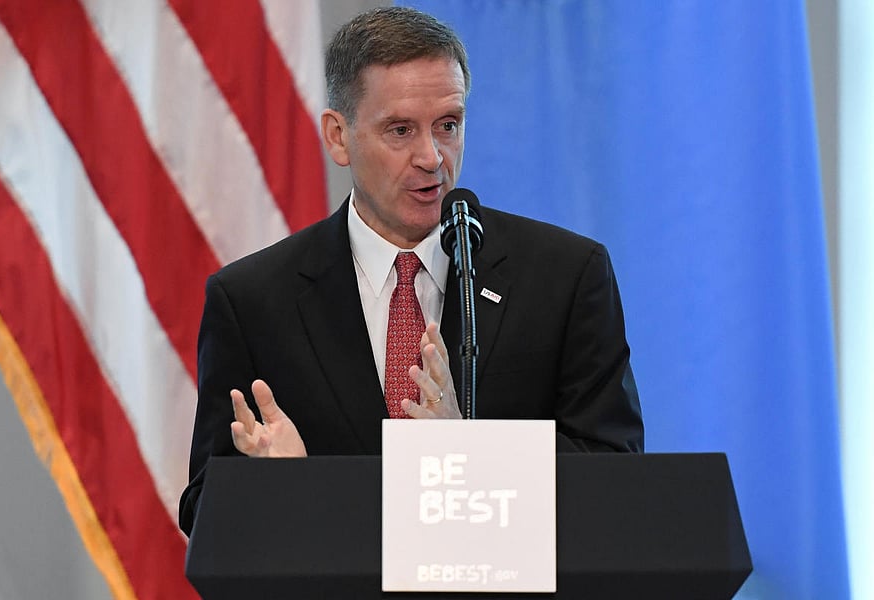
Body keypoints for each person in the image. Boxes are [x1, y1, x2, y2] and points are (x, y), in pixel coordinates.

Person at [179, 6, 643, 535]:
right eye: (400, 130)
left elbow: (616, 477)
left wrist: (470, 456)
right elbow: (201, 511)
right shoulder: (253, 302)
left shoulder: (567, 277)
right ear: (338, 136)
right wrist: (280, 489)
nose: (432, 157)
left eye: (449, 125)